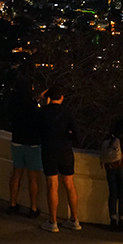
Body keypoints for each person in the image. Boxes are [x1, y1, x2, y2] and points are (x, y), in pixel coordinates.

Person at [38, 84, 82, 232]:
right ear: (62, 98)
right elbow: (77, 134)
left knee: (52, 185)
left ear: (49, 98)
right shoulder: (67, 112)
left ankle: (53, 221)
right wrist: (68, 139)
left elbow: (35, 128)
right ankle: (74, 219)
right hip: (65, 150)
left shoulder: (43, 112)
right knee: (69, 184)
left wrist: (40, 100)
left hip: (49, 150)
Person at [7, 78, 43, 219]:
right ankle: (33, 207)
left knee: (16, 173)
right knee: (33, 177)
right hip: (32, 143)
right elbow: (37, 120)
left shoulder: (14, 104)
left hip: (17, 140)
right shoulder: (32, 107)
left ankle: (13, 204)